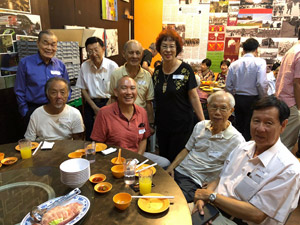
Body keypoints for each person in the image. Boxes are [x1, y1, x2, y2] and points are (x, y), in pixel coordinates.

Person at [193, 96, 300, 225]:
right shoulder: (243, 148)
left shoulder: (288, 168)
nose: (260, 128)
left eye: (268, 123)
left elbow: (257, 214)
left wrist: (211, 196)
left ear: (283, 125)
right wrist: (203, 199)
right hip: (211, 210)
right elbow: (221, 178)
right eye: (256, 121)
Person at [166, 91, 245, 203]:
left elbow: (234, 171)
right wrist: (171, 167)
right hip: (179, 171)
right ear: (207, 107)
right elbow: (187, 150)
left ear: (231, 111)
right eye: (214, 107)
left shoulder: (237, 140)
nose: (217, 112)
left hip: (195, 181)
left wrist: (215, 183)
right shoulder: (200, 126)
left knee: (170, 201)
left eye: (223, 108)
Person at [91, 76, 170, 167]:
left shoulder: (142, 112)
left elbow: (144, 139)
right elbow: (97, 144)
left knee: (165, 163)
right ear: (116, 92)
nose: (129, 92)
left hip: (137, 156)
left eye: (132, 88)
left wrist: (136, 159)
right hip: (113, 160)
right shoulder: (104, 113)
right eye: (124, 88)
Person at [153, 28, 204, 162]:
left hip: (181, 124)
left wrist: (203, 122)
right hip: (163, 124)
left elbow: (194, 97)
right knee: (164, 157)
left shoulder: (186, 69)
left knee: (178, 160)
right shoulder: (157, 72)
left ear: (177, 49)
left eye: (171, 46)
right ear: (159, 49)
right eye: (164, 46)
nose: (168, 50)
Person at [14, 30, 69, 126]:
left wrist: (63, 106)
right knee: (36, 140)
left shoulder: (60, 65)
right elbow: (19, 90)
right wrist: (25, 112)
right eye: (46, 43)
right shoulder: (25, 63)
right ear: (38, 43)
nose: (49, 48)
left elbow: (67, 89)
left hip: (57, 109)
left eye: (53, 45)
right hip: (34, 110)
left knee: (58, 139)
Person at [76, 37, 118, 140]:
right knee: (91, 136)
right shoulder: (84, 66)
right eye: (90, 51)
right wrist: (94, 108)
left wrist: (103, 110)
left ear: (103, 49)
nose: (93, 54)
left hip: (109, 104)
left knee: (109, 135)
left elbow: (116, 92)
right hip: (91, 105)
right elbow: (83, 89)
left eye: (96, 50)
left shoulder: (113, 66)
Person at [226, 38, 268, 141]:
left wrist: (231, 98)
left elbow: (228, 86)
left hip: (238, 98)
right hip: (253, 99)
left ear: (243, 50)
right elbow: (261, 83)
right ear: (256, 50)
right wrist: (263, 98)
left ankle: (237, 148)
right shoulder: (260, 62)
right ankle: (247, 150)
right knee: (251, 126)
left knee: (238, 126)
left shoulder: (234, 64)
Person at [109, 40, 154, 130]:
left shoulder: (147, 76)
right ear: (124, 54)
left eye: (138, 53)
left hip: (141, 122)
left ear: (142, 55)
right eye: (131, 53)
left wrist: (151, 124)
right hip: (120, 121)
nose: (134, 56)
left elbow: (149, 102)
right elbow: (113, 98)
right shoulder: (116, 74)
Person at [276, 31, 300, 154]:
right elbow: (298, 83)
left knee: (282, 141)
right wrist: (299, 108)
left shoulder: (292, 50)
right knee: (286, 144)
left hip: (284, 101)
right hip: (293, 104)